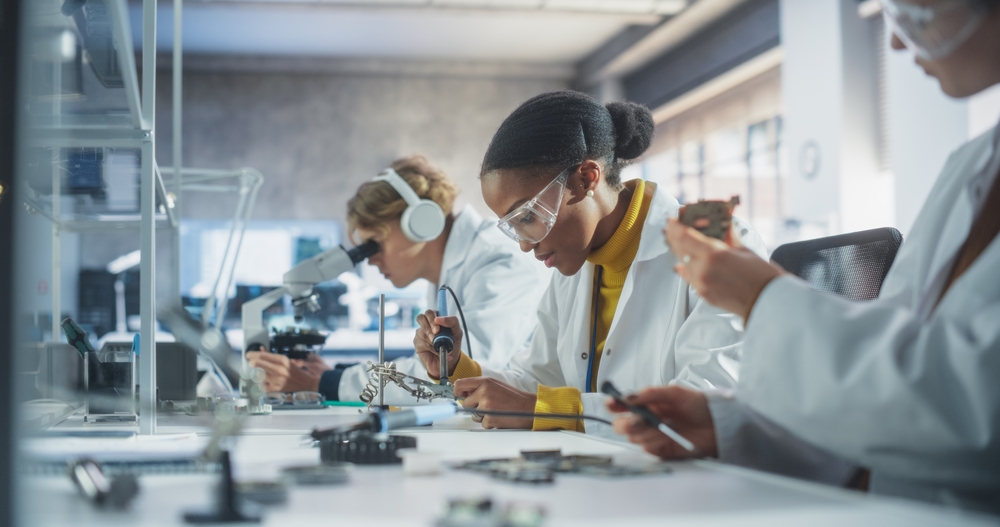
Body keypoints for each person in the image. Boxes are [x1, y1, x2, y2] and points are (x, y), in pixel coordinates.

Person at [610, 0, 1000, 513]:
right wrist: (731, 428)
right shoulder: (974, 164)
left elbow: (973, 411)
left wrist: (762, 296)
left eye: (915, 12)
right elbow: (893, 397)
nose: (899, 42)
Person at [414, 91, 767, 436]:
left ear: (586, 178)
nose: (524, 244)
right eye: (512, 226)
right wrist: (458, 368)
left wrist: (550, 410)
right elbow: (539, 383)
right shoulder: (576, 265)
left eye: (528, 216)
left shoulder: (720, 243)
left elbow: (704, 403)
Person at [247, 154, 548, 403]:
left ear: (422, 223)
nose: (371, 260)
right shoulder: (453, 269)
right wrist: (333, 373)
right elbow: (430, 367)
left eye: (374, 243)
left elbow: (459, 371)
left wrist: (326, 382)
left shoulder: (499, 259)